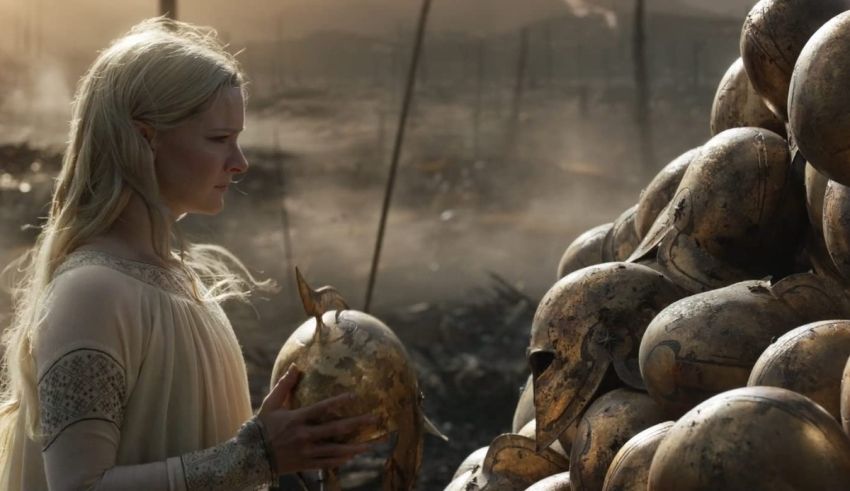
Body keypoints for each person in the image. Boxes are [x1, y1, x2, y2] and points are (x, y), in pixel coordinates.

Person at [0, 17, 374, 490]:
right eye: (219, 139)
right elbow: (78, 486)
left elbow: (191, 448)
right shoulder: (91, 293)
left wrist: (283, 449)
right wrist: (255, 455)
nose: (239, 162)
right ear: (145, 138)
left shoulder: (180, 282)